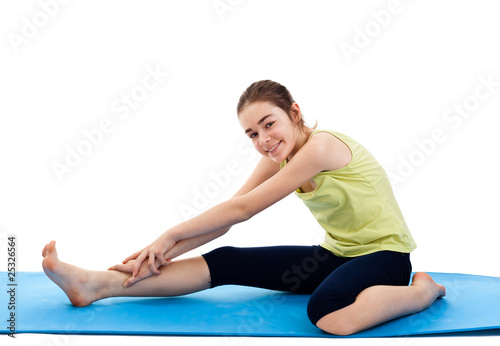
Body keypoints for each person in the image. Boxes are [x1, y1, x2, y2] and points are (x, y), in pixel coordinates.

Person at [42, 79, 446, 336]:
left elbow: (243, 211)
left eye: (269, 124)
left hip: (386, 256)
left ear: (294, 113)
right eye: (252, 133)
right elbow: (230, 213)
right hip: (336, 256)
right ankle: (96, 286)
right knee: (227, 259)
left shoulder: (320, 147)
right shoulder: (280, 155)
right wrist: (157, 254)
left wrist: (167, 235)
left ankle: (423, 292)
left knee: (329, 315)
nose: (263, 139)